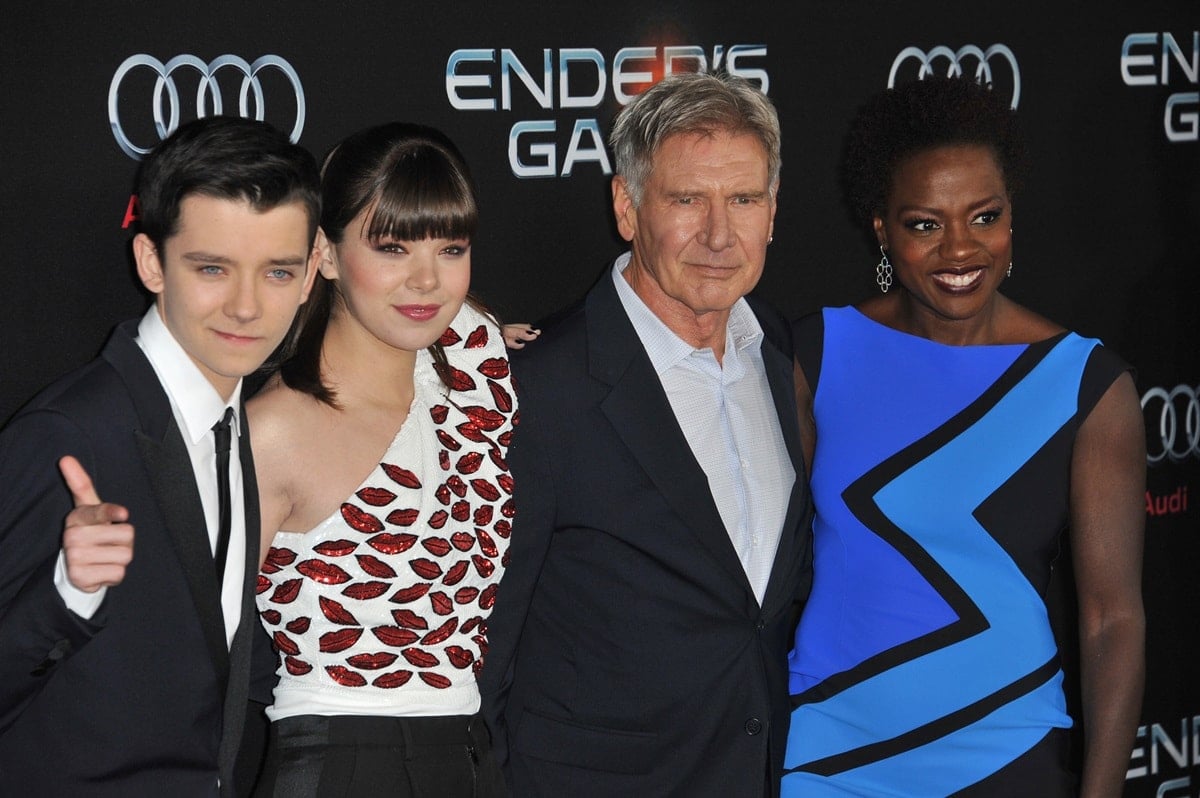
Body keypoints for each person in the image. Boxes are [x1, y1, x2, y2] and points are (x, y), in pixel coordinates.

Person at [781, 77, 1145, 797]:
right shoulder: (814, 355)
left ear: (1013, 218)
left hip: (1005, 751)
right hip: (831, 752)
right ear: (881, 228)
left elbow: (1112, 620)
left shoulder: (1086, 384)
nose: (960, 250)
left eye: (985, 217)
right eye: (925, 224)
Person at [480, 71, 813, 797]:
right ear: (627, 208)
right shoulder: (540, 390)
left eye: (744, 201)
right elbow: (484, 654)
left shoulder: (784, 356)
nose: (720, 235)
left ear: (773, 211)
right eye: (687, 200)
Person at [0, 116, 321, 796]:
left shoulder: (241, 419)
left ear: (308, 276)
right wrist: (66, 592)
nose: (245, 306)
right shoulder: (68, 436)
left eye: (276, 272)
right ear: (151, 262)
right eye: (211, 269)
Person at [248, 122, 513, 797]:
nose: (426, 279)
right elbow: (184, 645)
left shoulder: (477, 364)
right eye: (391, 247)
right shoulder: (274, 431)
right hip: (339, 757)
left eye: (451, 247)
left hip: (474, 752)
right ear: (326, 255)